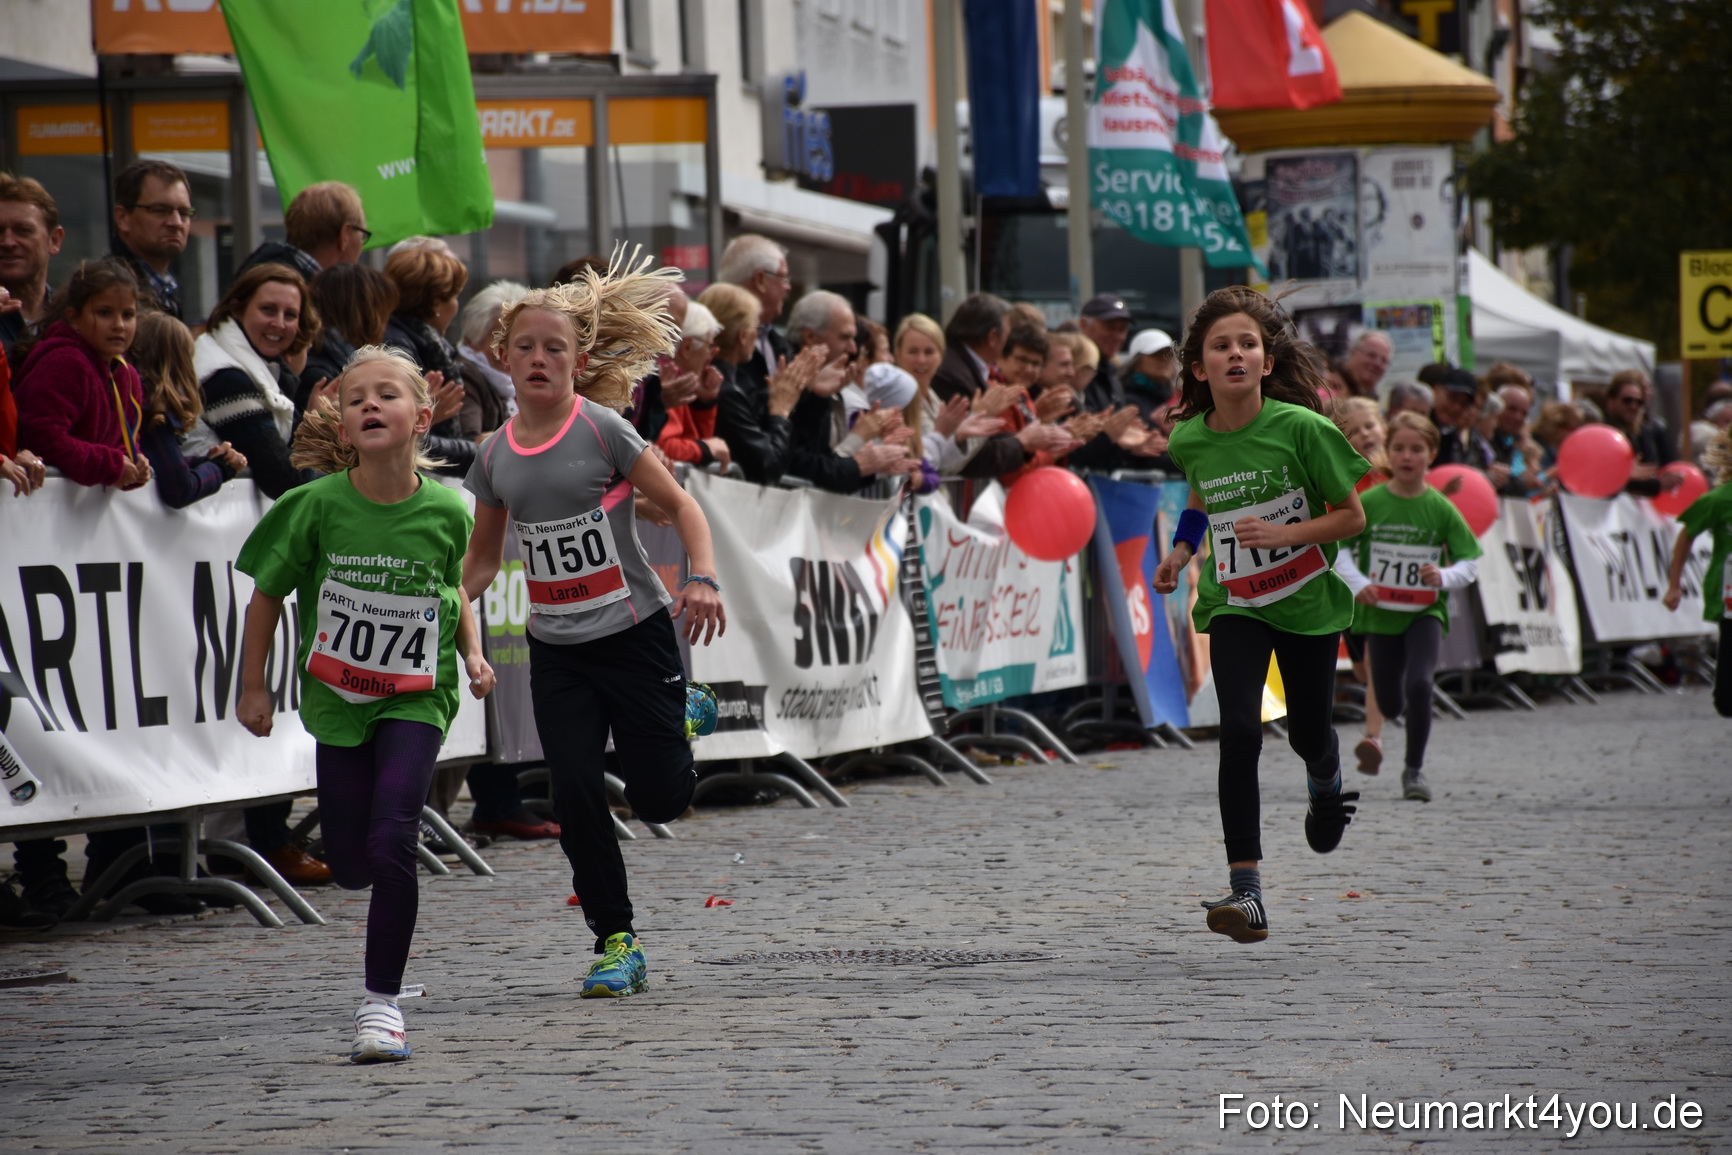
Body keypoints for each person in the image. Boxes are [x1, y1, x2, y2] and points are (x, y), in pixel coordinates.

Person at [460, 256, 726, 1000]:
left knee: (660, 799)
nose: (539, 359)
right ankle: (617, 940)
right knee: (574, 791)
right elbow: (481, 561)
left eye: (555, 348)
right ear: (500, 357)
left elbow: (683, 507)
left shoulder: (602, 428)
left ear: (579, 360)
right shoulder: (494, 454)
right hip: (558, 651)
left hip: (634, 634)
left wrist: (700, 578)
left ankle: (682, 714)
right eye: (526, 348)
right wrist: (449, 599)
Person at [236, 346, 493, 1062]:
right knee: (350, 859)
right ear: (342, 427)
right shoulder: (314, 505)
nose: (371, 406)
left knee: (393, 839)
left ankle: (381, 1005)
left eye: (387, 395)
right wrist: (252, 683)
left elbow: (455, 590)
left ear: (422, 416)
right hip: (339, 699)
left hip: (417, 695)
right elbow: (266, 593)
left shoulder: (447, 510)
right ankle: (375, 907)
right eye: (356, 399)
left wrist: (471, 652)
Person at [1152, 285, 1369, 945]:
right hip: (1235, 602)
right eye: (1221, 346)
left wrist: (1288, 536)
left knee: (1306, 730)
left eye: (1248, 342)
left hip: (1306, 602)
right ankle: (1247, 892)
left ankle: (1325, 775)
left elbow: (1352, 516)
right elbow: (1200, 494)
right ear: (1199, 368)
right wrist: (1183, 548)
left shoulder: (1304, 429)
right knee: (1239, 727)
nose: (1236, 353)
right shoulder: (1190, 436)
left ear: (1267, 361)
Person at [1334, 412, 1482, 801]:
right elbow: (1340, 549)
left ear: (1431, 454)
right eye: (1398, 448)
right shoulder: (1369, 501)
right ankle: (1392, 712)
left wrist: (1444, 576)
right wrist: (1360, 583)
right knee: (1388, 700)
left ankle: (1413, 771)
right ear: (1388, 451)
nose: (1406, 456)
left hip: (1423, 613)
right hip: (1380, 614)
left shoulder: (1440, 508)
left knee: (1420, 684)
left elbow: (1469, 560)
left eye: (1416, 449)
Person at [782, 290, 909, 491]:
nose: (852, 349)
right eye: (844, 338)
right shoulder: (783, 380)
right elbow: (791, 464)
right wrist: (859, 455)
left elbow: (822, 461)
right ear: (810, 336)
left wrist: (875, 462)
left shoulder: (829, 390)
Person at [132, 311, 248, 508]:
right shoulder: (155, 418)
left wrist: (206, 461)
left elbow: (164, 467)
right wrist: (221, 468)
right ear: (181, 366)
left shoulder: (135, 407)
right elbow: (180, 489)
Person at [1332, 397, 1391, 773]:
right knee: (1363, 672)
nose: (1367, 435)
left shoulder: (1394, 474)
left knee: (1377, 664)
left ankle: (1374, 737)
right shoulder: (1339, 478)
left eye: (1371, 425)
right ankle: (1383, 703)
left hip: (1387, 587)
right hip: (1349, 582)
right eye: (1356, 431)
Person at [382, 240, 475, 476]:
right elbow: (394, 434)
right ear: (436, 302)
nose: (456, 306)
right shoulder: (398, 349)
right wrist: (480, 452)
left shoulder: (431, 345)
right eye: (454, 296)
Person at [1662, 429, 1732, 717]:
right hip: (1728, 595)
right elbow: (1687, 534)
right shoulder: (1718, 500)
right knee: (1726, 702)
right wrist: (1674, 584)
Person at [304, 263, 398, 408]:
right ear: (368, 314)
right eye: (385, 312)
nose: (386, 323)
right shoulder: (323, 378)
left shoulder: (322, 356)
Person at [110, 160, 193, 320]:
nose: (176, 222)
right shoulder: (107, 289)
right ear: (123, 218)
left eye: (184, 212)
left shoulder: (167, 285)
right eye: (160, 210)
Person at [238, 181, 368, 282]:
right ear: (344, 235)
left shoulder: (265, 273)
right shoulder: (294, 294)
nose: (361, 248)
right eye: (362, 236)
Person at [656, 300, 729, 469]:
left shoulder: (676, 379)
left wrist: (705, 404)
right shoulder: (667, 379)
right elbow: (662, 449)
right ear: (686, 347)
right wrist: (704, 449)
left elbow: (696, 444)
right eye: (710, 345)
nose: (714, 354)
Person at [0, 173, 64, 363]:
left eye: (23, 231)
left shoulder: (76, 318)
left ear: (54, 240)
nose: (8, 242)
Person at [717, 234, 793, 394]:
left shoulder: (780, 345)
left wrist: (815, 395)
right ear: (760, 280)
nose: (788, 287)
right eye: (783, 277)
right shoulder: (717, 342)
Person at [455, 281, 528, 442]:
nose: (510, 348)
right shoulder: (463, 376)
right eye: (500, 337)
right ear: (472, 340)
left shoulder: (523, 379)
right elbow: (472, 441)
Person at [1602, 369, 1680, 498]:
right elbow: (1605, 480)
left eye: (1639, 402)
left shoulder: (1636, 433)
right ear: (1611, 401)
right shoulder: (1604, 435)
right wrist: (1657, 485)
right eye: (1627, 400)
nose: (1633, 406)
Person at [1342, 331, 1393, 399]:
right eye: (1371, 355)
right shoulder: (1331, 388)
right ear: (1353, 353)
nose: (1377, 364)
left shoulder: (1373, 400)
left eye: (1383, 361)